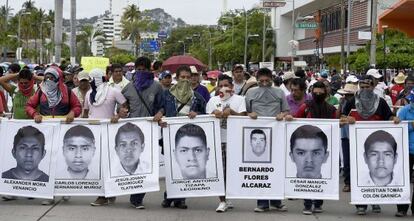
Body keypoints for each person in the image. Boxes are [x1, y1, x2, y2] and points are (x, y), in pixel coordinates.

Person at [93, 56, 163, 209]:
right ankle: (107, 194)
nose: (140, 72)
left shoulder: (157, 87)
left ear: (149, 70)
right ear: (134, 70)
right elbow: (122, 108)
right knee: (116, 163)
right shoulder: (128, 88)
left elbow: (162, 105)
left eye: (143, 70)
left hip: (148, 132)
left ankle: (137, 199)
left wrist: (160, 113)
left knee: (144, 167)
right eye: (138, 70)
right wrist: (121, 113)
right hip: (128, 132)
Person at [341, 75, 400, 215]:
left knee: (374, 172)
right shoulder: (351, 102)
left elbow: (389, 116)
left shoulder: (380, 102)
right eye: (362, 87)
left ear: (373, 87)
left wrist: (395, 119)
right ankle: (360, 204)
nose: (364, 89)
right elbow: (341, 117)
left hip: (375, 145)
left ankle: (375, 201)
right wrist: (346, 118)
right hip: (355, 144)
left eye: (367, 87)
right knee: (358, 174)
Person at [160, 64, 206, 209]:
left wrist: (197, 114)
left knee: (183, 166)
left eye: (188, 77)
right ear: (177, 78)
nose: (185, 80)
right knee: (171, 167)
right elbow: (159, 109)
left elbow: (206, 114)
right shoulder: (166, 95)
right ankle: (170, 194)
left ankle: (180, 197)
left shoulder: (197, 97)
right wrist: (160, 116)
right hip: (169, 134)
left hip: (188, 136)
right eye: (182, 77)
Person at [246, 68, 290, 213]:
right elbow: (245, 112)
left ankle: (276, 201)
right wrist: (249, 114)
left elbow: (286, 111)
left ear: (272, 79)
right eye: (261, 81)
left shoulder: (279, 92)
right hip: (257, 136)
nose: (264, 83)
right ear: (257, 79)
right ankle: (262, 202)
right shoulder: (250, 93)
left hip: (276, 135)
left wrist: (282, 115)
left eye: (267, 80)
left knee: (276, 168)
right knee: (261, 168)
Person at [206, 74, 246, 212]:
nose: (224, 88)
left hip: (234, 141)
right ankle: (222, 200)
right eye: (221, 85)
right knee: (220, 172)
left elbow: (244, 117)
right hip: (218, 141)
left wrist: (232, 112)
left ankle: (228, 197)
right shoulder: (212, 100)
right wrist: (213, 113)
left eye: (227, 85)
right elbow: (205, 119)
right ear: (217, 87)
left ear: (232, 87)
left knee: (231, 172)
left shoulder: (240, 100)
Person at [395, 88, 414, 217]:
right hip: (407, 149)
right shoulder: (404, 110)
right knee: (404, 179)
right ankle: (402, 208)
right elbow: (397, 129)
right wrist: (411, 126)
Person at [337, 83, 358, 193]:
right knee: (347, 160)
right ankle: (347, 182)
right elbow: (338, 117)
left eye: (349, 95)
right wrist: (341, 106)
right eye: (346, 95)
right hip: (346, 134)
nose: (347, 97)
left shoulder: (359, 102)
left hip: (358, 134)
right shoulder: (343, 102)